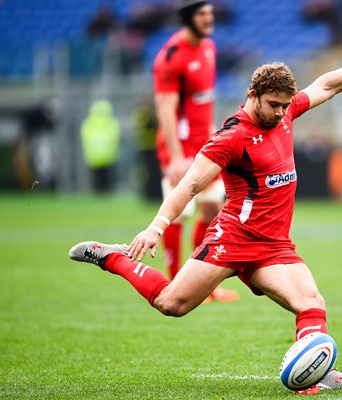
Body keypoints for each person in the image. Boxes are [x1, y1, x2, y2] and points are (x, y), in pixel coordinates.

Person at [69, 48, 342, 393]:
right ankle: (112, 257)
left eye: (284, 106)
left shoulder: (286, 112)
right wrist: (156, 227)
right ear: (253, 96)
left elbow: (327, 85)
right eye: (273, 105)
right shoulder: (231, 137)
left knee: (311, 303)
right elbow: (188, 185)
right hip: (231, 240)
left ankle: (317, 375)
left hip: (273, 246)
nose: (280, 113)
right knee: (171, 304)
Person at [152, 0, 238, 302]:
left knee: (213, 210)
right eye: (202, 14)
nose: (208, 18)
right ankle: (174, 284)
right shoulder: (171, 57)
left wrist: (213, 129)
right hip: (181, 149)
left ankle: (206, 285)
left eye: (210, 13)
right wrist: (175, 156)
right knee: (178, 215)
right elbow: (165, 109)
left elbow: (202, 100)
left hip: (207, 145)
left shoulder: (209, 48)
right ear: (188, 18)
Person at [80, 99, 121, 194]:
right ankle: (104, 191)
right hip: (107, 154)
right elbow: (115, 136)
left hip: (95, 155)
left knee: (97, 178)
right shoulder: (111, 122)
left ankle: (97, 191)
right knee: (105, 178)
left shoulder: (88, 122)